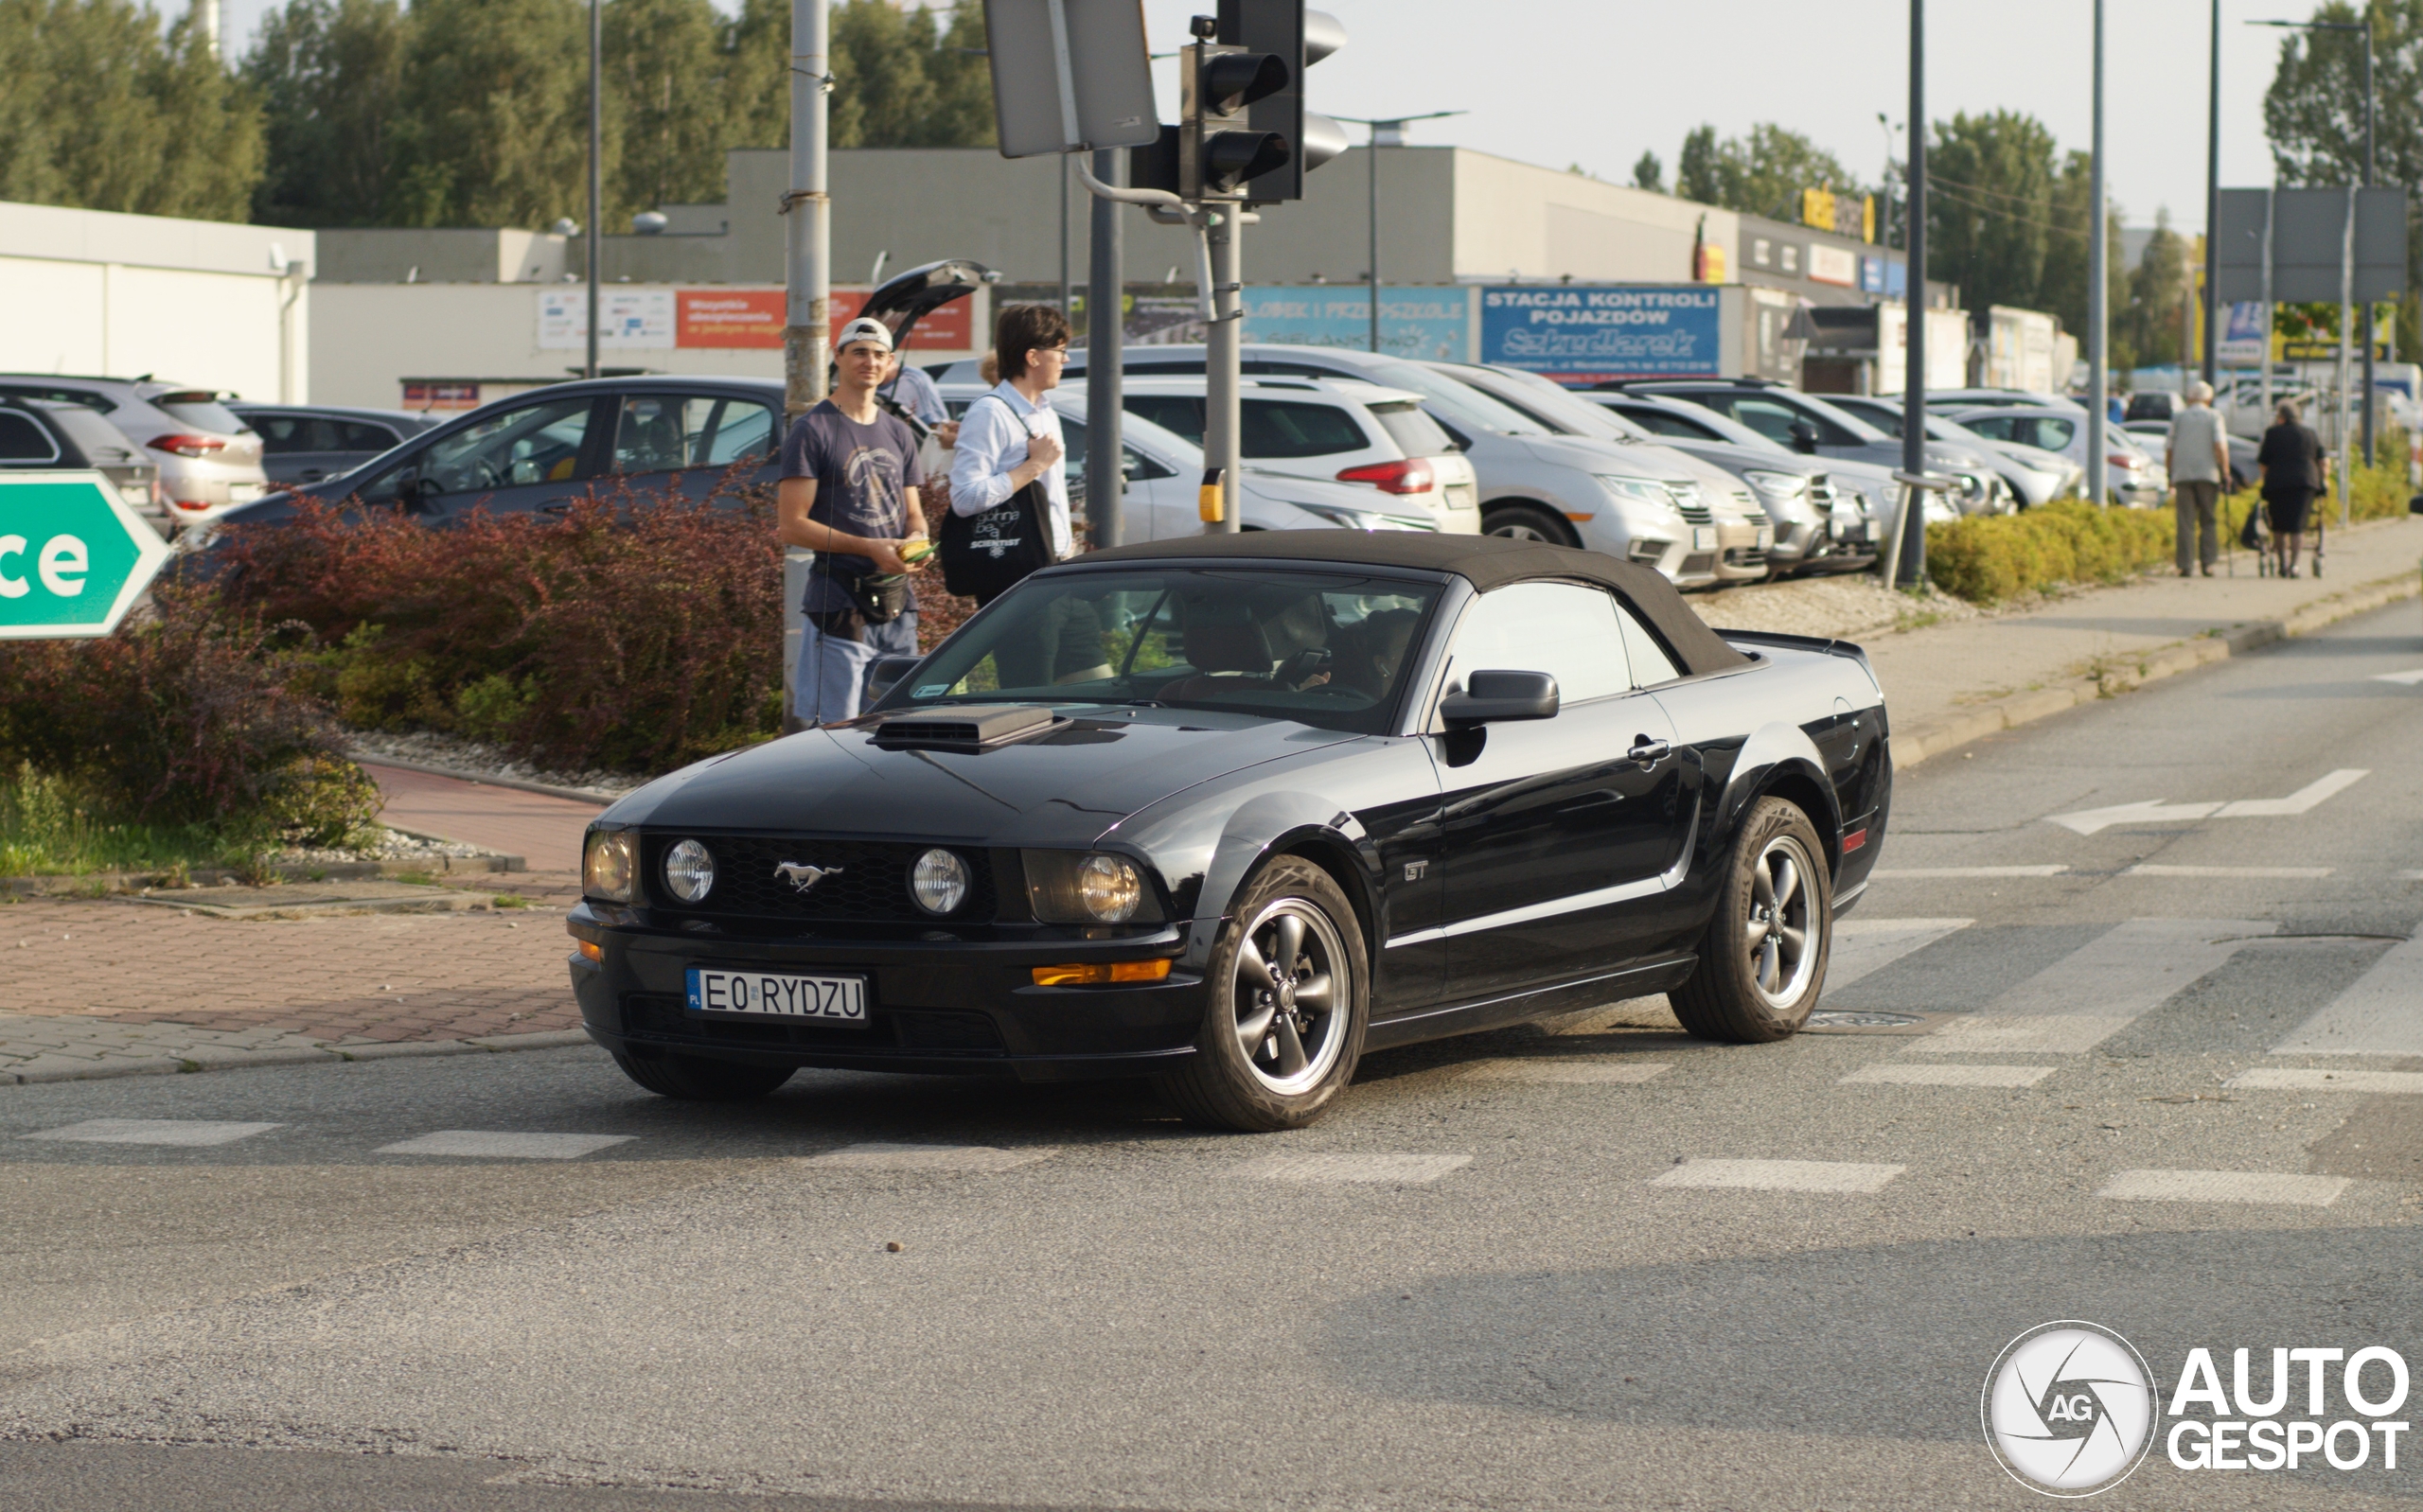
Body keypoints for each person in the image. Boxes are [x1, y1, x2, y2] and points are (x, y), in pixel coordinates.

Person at [776, 315, 929, 724]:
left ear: (891, 363)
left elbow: (914, 514)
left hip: (898, 604)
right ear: (838, 357)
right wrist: (868, 548)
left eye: (879, 354)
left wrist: (917, 543)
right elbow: (791, 526)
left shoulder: (898, 433)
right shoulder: (813, 430)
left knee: (895, 728)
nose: (870, 361)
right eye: (859, 352)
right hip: (840, 602)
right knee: (834, 734)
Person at [949, 306, 1072, 606]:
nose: (1066, 359)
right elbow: (964, 498)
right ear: (1032, 357)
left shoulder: (1046, 411)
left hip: (1058, 566)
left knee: (1089, 654)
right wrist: (1034, 466)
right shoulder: (990, 412)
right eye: (1060, 350)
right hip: (1017, 575)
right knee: (1033, 655)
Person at [2165, 380, 2230, 576]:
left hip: (2182, 474)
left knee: (2185, 521)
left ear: (2190, 398)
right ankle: (2207, 563)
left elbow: (2169, 447)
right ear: (2208, 398)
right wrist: (2225, 471)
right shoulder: (2214, 416)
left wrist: (2169, 473)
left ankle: (2185, 564)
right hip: (2208, 474)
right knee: (2208, 519)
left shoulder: (2179, 417)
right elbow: (2220, 445)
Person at [2255, 399, 2326, 578]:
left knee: (2278, 526)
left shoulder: (2272, 434)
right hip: (2305, 483)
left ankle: (2282, 564)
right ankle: (2295, 565)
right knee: (2297, 526)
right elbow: (2322, 461)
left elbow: (2263, 463)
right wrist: (2323, 481)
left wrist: (2266, 479)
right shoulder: (2310, 433)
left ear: (2281, 417)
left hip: (2277, 483)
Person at [879, 350, 959, 448]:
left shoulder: (913, 380)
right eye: (861, 353)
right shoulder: (857, 385)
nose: (871, 362)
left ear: (890, 358)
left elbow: (937, 428)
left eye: (878, 354)